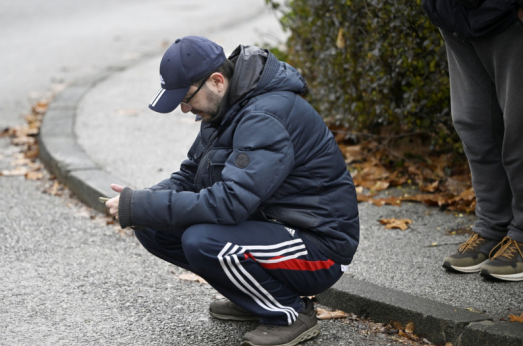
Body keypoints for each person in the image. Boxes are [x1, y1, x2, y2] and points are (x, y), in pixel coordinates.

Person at [105, 36, 359, 346]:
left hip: (320, 247)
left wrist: (144, 205)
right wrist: (143, 202)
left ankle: (290, 313)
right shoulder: (224, 108)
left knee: (202, 241)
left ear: (216, 80)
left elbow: (229, 203)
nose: (185, 110)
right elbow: (190, 175)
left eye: (186, 98)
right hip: (273, 227)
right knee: (152, 227)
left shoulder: (264, 117)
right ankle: (253, 295)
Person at [423, 1, 523, 281]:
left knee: (519, 124)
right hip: (454, 15)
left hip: (505, 12)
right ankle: (494, 227)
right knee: (474, 124)